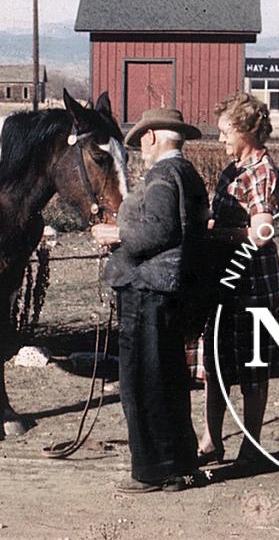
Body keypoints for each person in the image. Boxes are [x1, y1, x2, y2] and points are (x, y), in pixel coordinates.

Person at [91, 108, 210, 493]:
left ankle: (151, 471)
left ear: (154, 137)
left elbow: (157, 231)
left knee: (142, 384)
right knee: (168, 380)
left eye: (142, 138)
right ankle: (179, 466)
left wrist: (115, 233)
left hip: (148, 291)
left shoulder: (162, 175)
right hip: (168, 290)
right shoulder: (187, 173)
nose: (141, 146)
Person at [197, 92, 279, 468]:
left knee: (251, 366)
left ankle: (251, 447)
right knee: (215, 363)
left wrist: (217, 236)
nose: (220, 140)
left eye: (225, 132)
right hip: (223, 279)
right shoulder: (232, 170)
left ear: (247, 132)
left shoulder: (262, 174)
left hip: (251, 282)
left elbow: (261, 230)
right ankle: (211, 441)